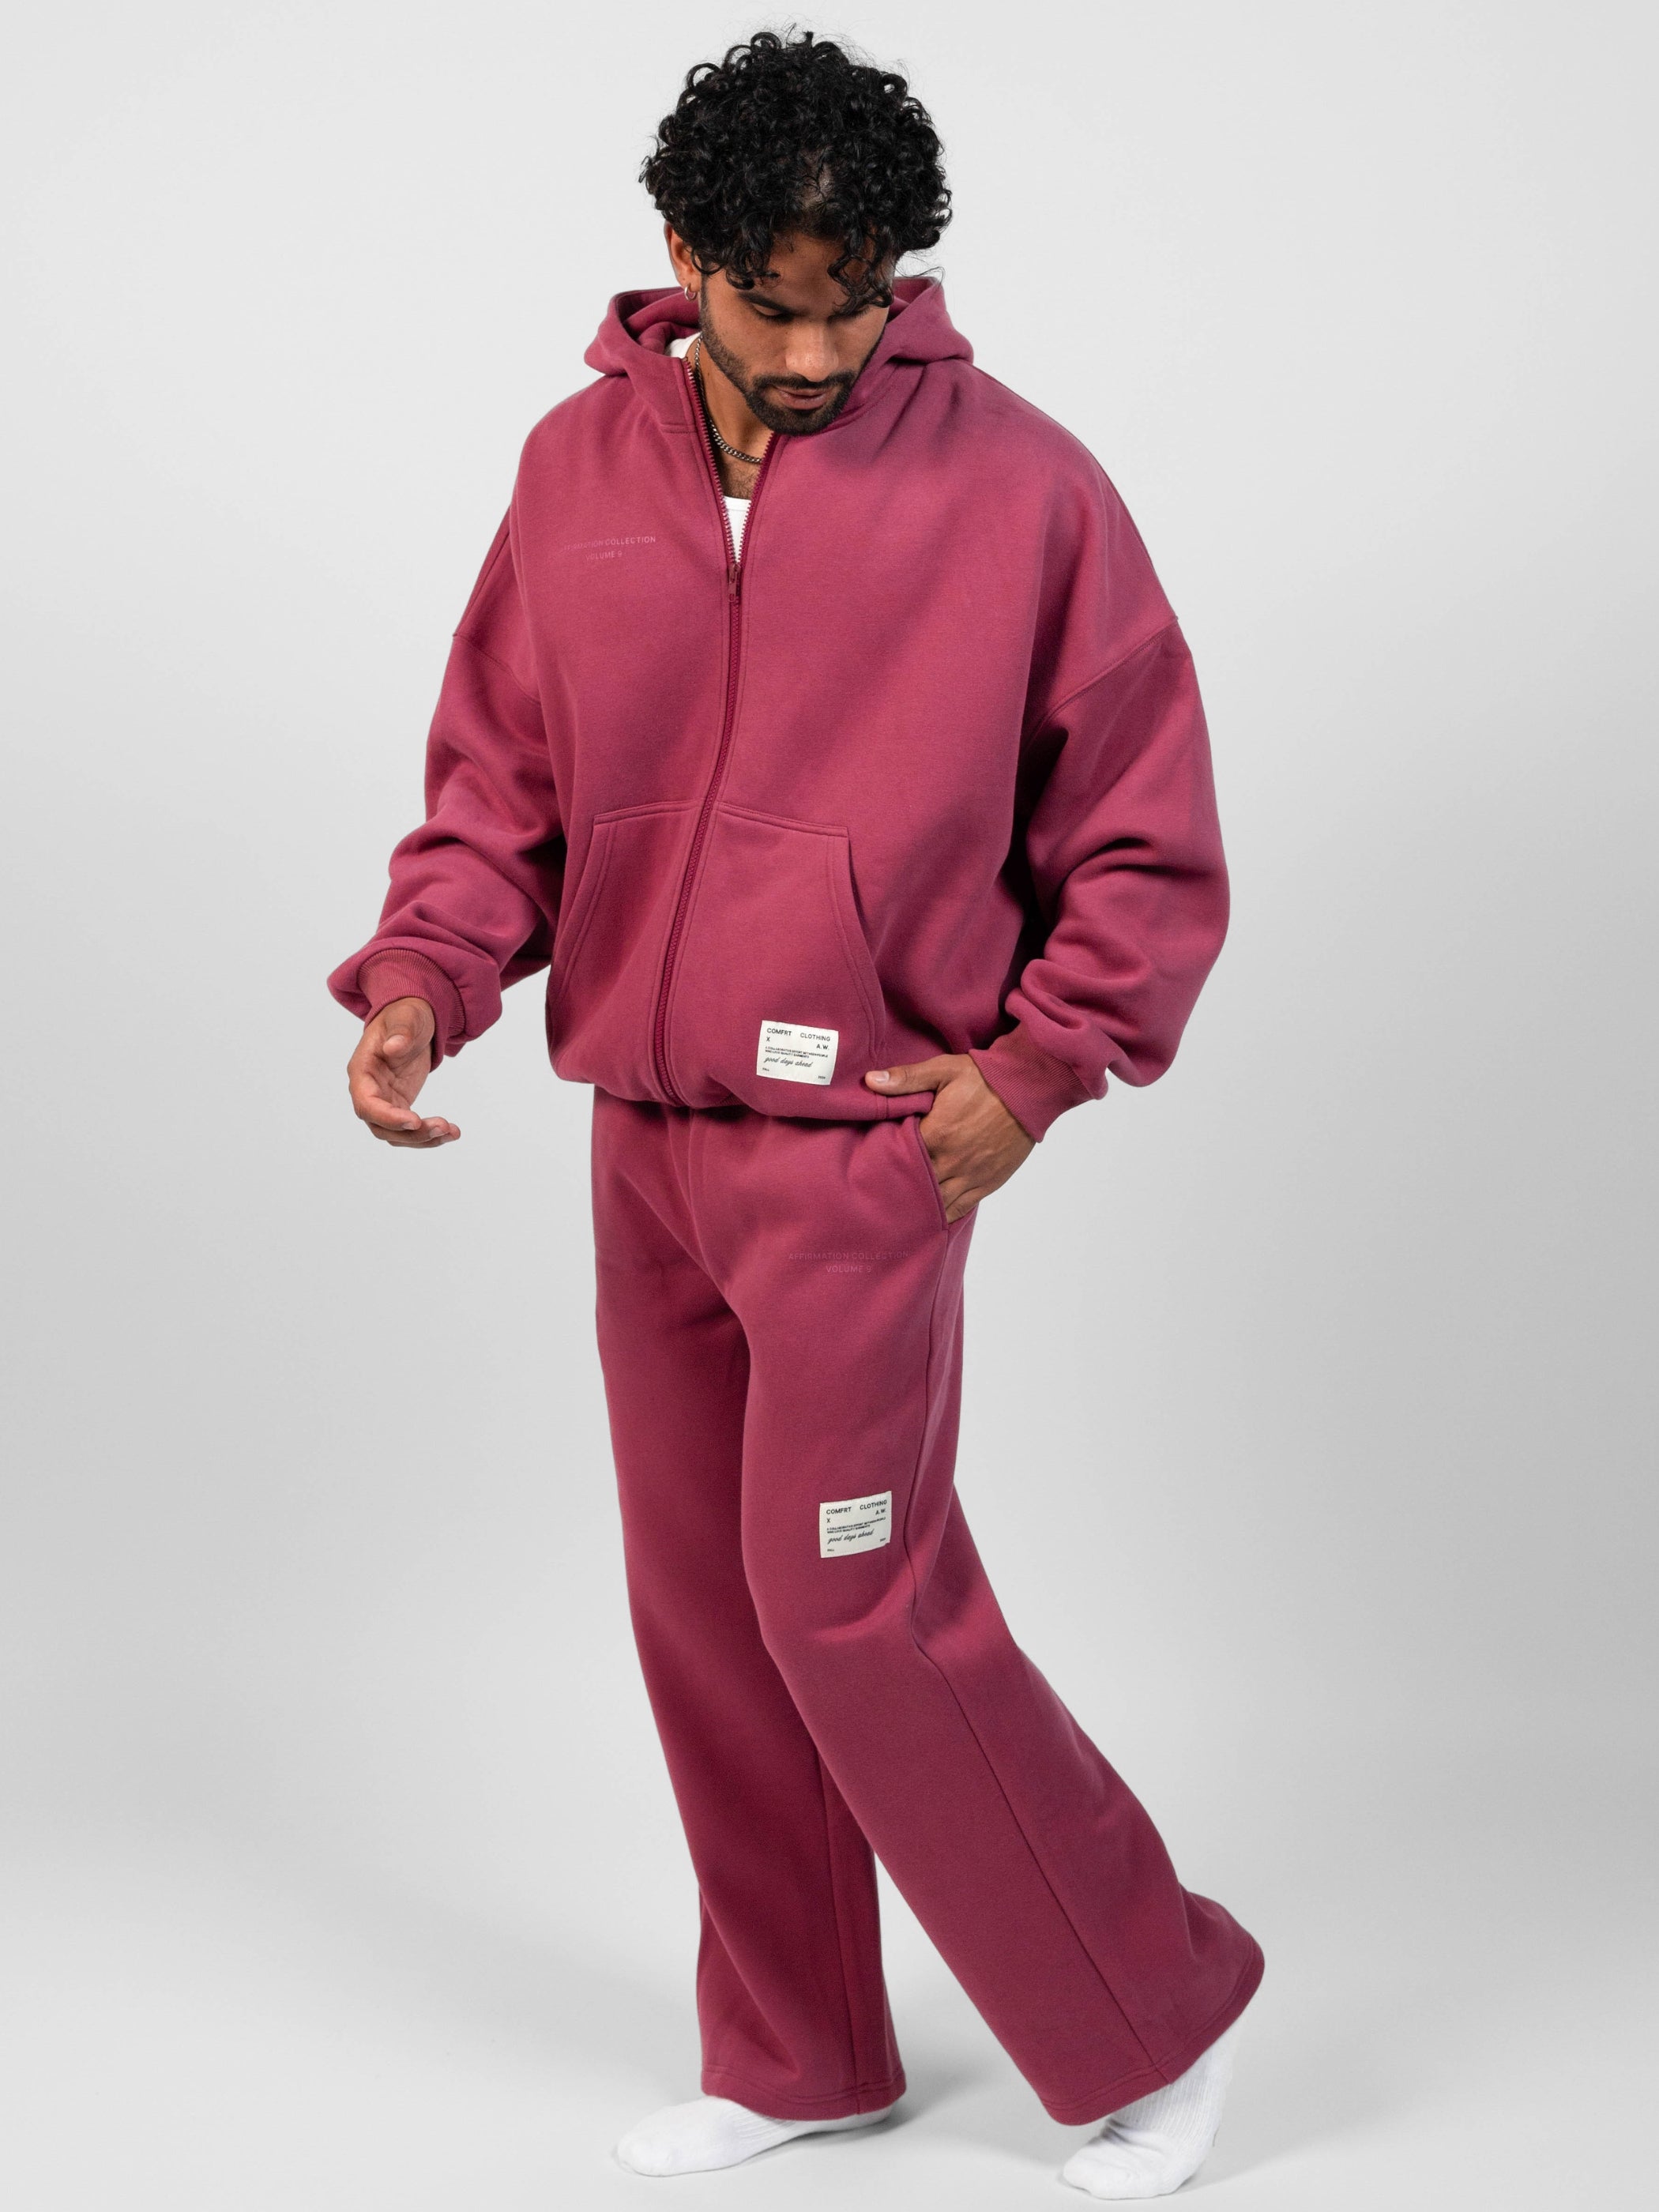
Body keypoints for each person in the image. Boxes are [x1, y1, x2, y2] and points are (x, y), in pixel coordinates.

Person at [328, 29, 1263, 2199]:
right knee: (710, 1613)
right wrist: (424, 980)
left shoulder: (1023, 487)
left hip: (865, 1150)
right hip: (645, 1142)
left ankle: (1155, 2016)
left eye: (867, 301)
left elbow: (1144, 829)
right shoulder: (576, 467)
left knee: (859, 1607)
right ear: (684, 254)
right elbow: (502, 781)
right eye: (779, 303)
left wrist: (1038, 1069)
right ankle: (799, 2050)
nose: (827, 348)